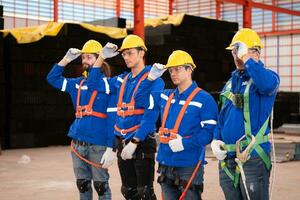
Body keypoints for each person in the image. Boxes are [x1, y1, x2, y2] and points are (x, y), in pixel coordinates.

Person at [89, 34, 164, 200]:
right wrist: (101, 57)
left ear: (141, 53)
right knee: (128, 192)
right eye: (124, 54)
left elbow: (151, 115)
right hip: (122, 142)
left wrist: (135, 141)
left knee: (144, 193)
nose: (126, 57)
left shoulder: (155, 79)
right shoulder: (121, 80)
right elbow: (93, 83)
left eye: (130, 53)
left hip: (142, 142)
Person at [137, 50, 218, 200]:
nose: (173, 73)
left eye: (177, 69)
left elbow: (208, 133)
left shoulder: (204, 99)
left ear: (189, 70)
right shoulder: (165, 96)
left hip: (189, 164)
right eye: (170, 70)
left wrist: (185, 143)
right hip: (165, 163)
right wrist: (150, 78)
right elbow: (140, 99)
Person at [211, 28, 280, 200]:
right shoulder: (230, 83)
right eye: (234, 51)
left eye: (240, 50)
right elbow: (222, 117)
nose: (236, 56)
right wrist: (216, 139)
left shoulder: (268, 78)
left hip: (253, 158)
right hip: (228, 160)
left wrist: (248, 60)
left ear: (255, 52)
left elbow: (265, 84)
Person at [46, 39, 118, 200]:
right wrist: (66, 59)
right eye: (83, 58)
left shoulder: (109, 86)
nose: (85, 61)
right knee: (82, 185)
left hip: (98, 144)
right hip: (78, 143)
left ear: (100, 59)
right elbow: (52, 79)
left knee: (101, 186)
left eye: (89, 57)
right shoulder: (76, 84)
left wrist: (111, 147)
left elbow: (112, 118)